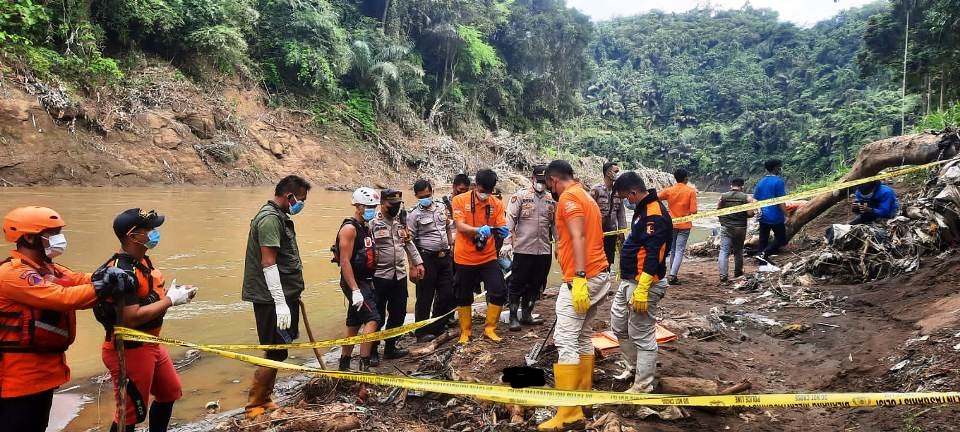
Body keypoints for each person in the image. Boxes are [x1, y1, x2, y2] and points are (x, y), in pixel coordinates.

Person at [0, 207, 127, 432]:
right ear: (29, 237)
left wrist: (108, 274)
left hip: (44, 374)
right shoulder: (12, 274)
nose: (59, 239)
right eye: (53, 233)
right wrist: (103, 286)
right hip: (16, 379)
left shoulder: (49, 268)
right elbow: (63, 298)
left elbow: (79, 280)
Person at [98, 209, 198, 432]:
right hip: (130, 348)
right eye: (149, 230)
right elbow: (130, 318)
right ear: (133, 236)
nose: (154, 233)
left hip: (151, 343)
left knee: (170, 391)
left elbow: (149, 298)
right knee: (130, 413)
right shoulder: (121, 271)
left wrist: (177, 294)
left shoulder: (142, 261)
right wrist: (171, 300)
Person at [537, 160, 611, 431]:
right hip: (599, 273)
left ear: (554, 180)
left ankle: (569, 413)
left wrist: (578, 276)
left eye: (549, 185)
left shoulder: (568, 198)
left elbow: (578, 237)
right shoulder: (587, 196)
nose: (549, 189)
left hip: (584, 277)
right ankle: (584, 397)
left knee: (565, 338)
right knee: (582, 335)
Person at [241, 175, 311, 418]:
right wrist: (280, 303)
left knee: (280, 349)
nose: (302, 204)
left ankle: (265, 398)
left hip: (283, 296)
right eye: (301, 200)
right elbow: (268, 263)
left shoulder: (279, 217)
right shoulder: (270, 219)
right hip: (271, 299)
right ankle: (253, 406)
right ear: (289, 196)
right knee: (274, 350)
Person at [610, 171, 672, 394]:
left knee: (642, 335)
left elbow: (655, 253)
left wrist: (643, 288)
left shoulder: (654, 213)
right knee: (618, 324)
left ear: (633, 192)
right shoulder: (642, 208)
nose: (626, 201)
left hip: (645, 283)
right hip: (629, 280)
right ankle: (633, 368)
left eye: (626, 196)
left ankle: (643, 385)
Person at [451, 169, 509, 344]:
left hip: (488, 256)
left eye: (489, 192)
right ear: (476, 186)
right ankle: (465, 332)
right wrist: (478, 230)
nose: (485, 195)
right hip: (464, 257)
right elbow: (460, 226)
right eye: (483, 191)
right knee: (463, 295)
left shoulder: (496, 204)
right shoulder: (459, 200)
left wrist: (503, 230)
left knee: (498, 291)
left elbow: (501, 223)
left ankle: (490, 329)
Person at [369, 189, 424, 365]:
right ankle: (372, 350)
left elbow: (409, 243)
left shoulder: (401, 221)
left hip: (398, 275)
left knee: (398, 313)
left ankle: (391, 346)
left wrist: (418, 263)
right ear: (382, 203)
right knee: (377, 316)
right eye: (391, 205)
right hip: (379, 276)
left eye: (398, 205)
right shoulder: (372, 223)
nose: (395, 208)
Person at [334, 187, 382, 371]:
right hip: (354, 281)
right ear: (358, 206)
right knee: (373, 318)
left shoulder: (365, 227)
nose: (373, 209)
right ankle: (364, 366)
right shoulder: (349, 229)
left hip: (365, 279)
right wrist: (354, 290)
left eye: (374, 206)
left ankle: (343, 364)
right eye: (369, 206)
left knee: (354, 323)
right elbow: (345, 262)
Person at [504, 164, 555, 331]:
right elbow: (509, 220)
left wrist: (560, 244)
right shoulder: (520, 196)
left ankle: (527, 314)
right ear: (532, 178)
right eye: (538, 180)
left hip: (543, 249)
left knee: (536, 283)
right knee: (517, 283)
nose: (541, 183)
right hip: (523, 249)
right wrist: (507, 243)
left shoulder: (551, 199)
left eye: (544, 181)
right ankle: (513, 316)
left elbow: (555, 226)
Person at [407, 179, 455, 343]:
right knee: (425, 296)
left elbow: (447, 227)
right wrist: (413, 265)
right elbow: (409, 241)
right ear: (416, 196)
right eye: (421, 197)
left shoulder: (442, 207)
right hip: (426, 258)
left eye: (428, 195)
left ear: (432, 192)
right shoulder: (414, 215)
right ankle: (421, 332)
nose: (425, 199)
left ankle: (437, 327)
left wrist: (451, 245)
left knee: (447, 293)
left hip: (445, 257)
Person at [658, 169, 698, 285]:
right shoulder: (691, 191)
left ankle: (671, 273)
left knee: (673, 249)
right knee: (679, 250)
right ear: (686, 178)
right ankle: (673, 275)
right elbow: (694, 211)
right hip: (685, 225)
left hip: (671, 224)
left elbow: (655, 198)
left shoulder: (669, 190)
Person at [717, 179, 755, 283]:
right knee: (738, 251)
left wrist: (723, 221)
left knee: (724, 251)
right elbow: (750, 214)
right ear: (742, 186)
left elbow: (718, 210)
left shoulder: (723, 196)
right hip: (740, 228)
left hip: (726, 227)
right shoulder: (747, 198)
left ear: (731, 185)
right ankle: (738, 272)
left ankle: (723, 275)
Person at [590, 162, 626, 267]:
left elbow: (621, 213)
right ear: (607, 172)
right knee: (596, 257)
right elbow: (589, 209)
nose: (617, 174)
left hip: (612, 230)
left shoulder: (618, 191)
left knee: (610, 257)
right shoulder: (596, 189)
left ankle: (607, 276)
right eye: (615, 171)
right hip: (597, 230)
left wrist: (622, 231)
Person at [754, 159, 788, 264]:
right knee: (782, 239)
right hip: (775, 216)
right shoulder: (778, 182)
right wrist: (787, 215)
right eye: (779, 166)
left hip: (763, 215)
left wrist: (757, 210)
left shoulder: (761, 181)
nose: (780, 169)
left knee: (763, 239)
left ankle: (762, 263)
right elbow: (780, 202)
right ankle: (764, 254)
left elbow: (755, 199)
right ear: (775, 168)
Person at [443, 174, 472, 247]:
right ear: (454, 186)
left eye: (466, 190)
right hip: (449, 240)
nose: (463, 192)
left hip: (465, 239)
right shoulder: (443, 203)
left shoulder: (470, 203)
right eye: (461, 189)